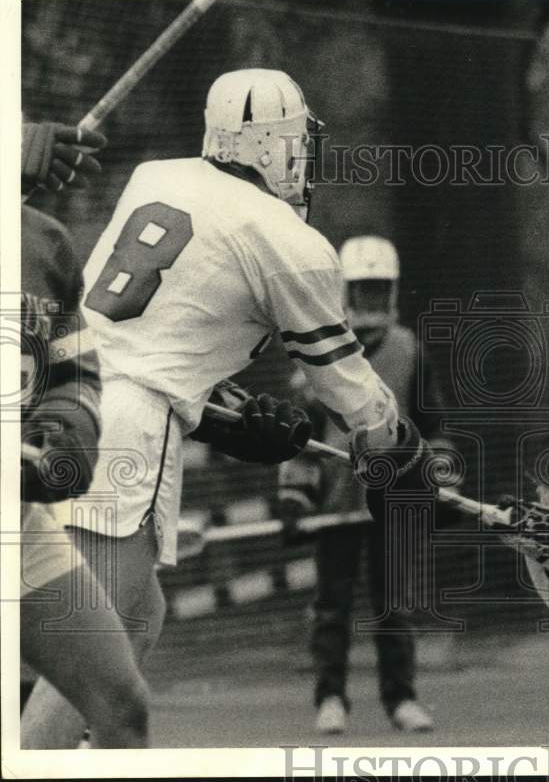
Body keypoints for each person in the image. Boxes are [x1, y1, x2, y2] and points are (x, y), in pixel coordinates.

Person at [19, 70, 431, 748]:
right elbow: (341, 377)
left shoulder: (157, 177)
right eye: (297, 140)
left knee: (139, 615)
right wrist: (395, 439)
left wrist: (222, 413)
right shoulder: (289, 238)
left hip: (71, 396)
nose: (305, 156)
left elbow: (157, 331)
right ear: (272, 146)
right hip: (128, 431)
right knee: (90, 658)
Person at [276, 235, 454, 734]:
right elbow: (301, 438)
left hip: (393, 503)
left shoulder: (409, 350)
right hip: (335, 504)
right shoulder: (318, 354)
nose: (371, 301)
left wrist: (438, 478)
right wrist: (294, 498)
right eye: (362, 291)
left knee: (393, 604)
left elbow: (433, 425)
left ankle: (401, 697)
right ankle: (330, 697)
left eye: (379, 291)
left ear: (392, 292)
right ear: (344, 294)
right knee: (331, 607)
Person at [19, 120, 151, 748]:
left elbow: (74, 374)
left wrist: (64, 437)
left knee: (121, 706)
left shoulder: (45, 243)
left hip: (15, 520)